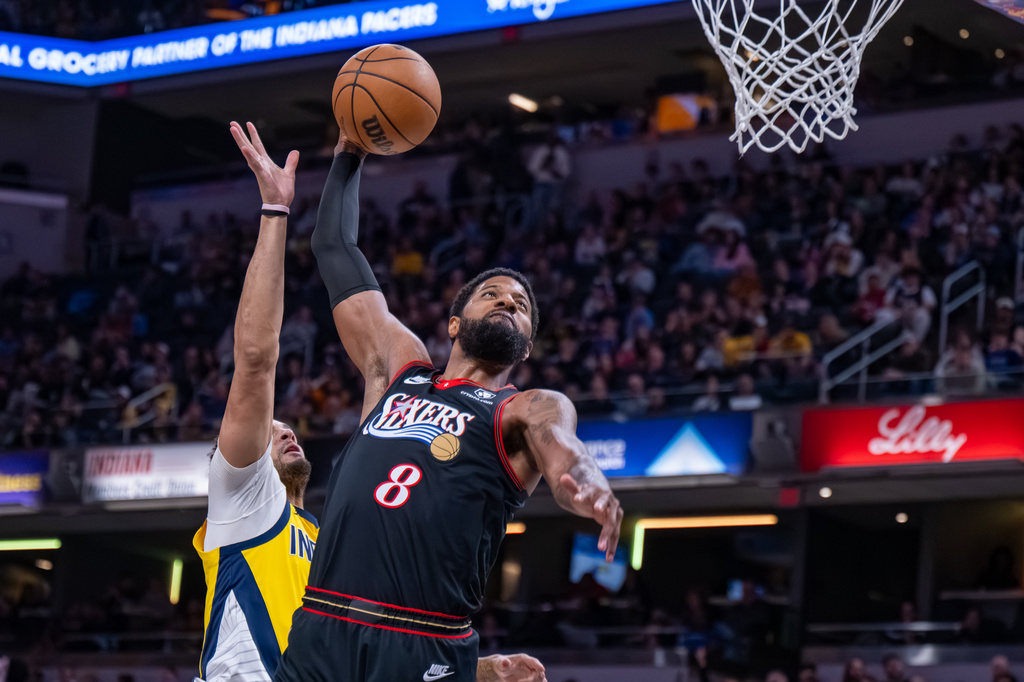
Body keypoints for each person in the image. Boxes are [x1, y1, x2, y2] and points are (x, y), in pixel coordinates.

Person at [194, 123, 547, 682]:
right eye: (269, 430)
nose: (285, 431)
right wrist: (294, 197)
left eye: (520, 303)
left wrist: (475, 669)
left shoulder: (327, 540)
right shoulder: (242, 497)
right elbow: (258, 357)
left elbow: (374, 645)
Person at [276, 133, 622, 681]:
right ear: (455, 323)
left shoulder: (524, 408)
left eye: (521, 305)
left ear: (526, 347)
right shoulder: (399, 369)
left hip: (421, 640)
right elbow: (335, 249)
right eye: (492, 294)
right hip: (320, 624)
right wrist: (349, 154)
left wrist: (588, 483)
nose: (508, 300)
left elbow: (565, 449)